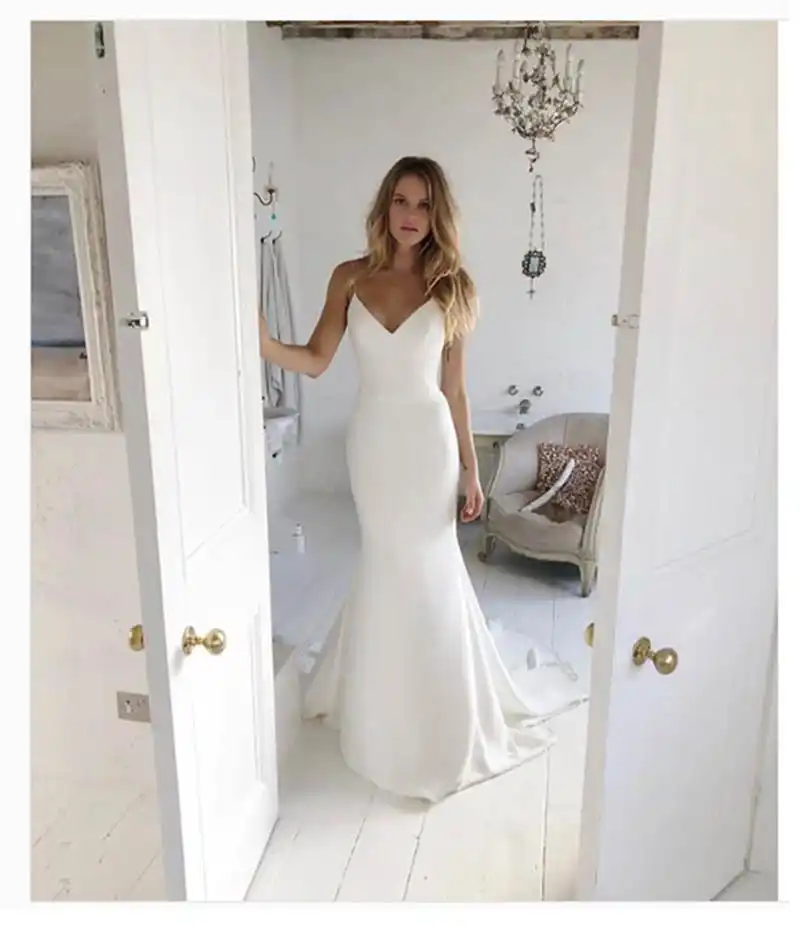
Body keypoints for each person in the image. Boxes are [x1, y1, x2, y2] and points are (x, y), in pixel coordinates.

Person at [260, 156, 583, 803]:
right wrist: (259, 340)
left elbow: (454, 389)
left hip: (427, 445)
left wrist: (471, 469)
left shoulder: (452, 286)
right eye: (401, 202)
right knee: (384, 561)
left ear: (439, 215)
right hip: (373, 444)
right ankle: (379, 709)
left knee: (430, 565)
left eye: (425, 205)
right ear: (385, 207)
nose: (411, 216)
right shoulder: (350, 277)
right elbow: (317, 360)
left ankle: (443, 713)